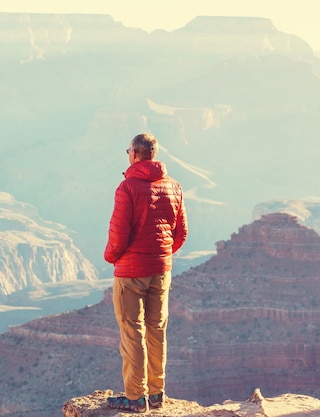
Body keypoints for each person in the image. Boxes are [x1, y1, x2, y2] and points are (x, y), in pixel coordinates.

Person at [104, 132, 188, 413]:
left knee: (132, 332)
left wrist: (112, 257)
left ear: (135, 154)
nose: (127, 154)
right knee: (157, 330)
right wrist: (161, 255)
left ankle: (136, 398)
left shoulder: (127, 187)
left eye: (128, 150)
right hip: (161, 269)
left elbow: (119, 232)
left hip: (130, 272)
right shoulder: (174, 186)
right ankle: (157, 393)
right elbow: (181, 232)